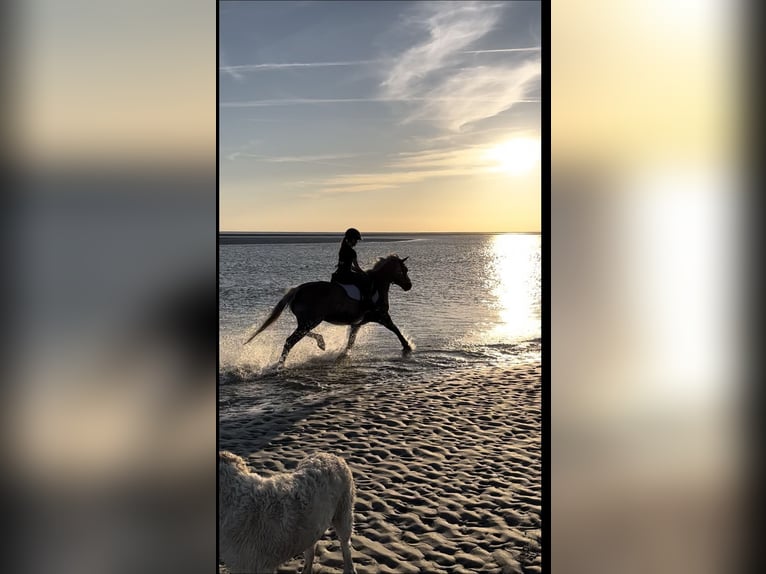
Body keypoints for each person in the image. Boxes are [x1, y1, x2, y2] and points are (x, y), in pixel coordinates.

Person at [331, 228, 373, 302]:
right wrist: (364, 273)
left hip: (338, 274)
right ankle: (366, 301)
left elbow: (347, 265)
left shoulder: (342, 249)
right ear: (352, 239)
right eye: (356, 240)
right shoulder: (352, 252)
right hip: (347, 275)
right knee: (366, 281)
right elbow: (356, 267)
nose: (356, 242)